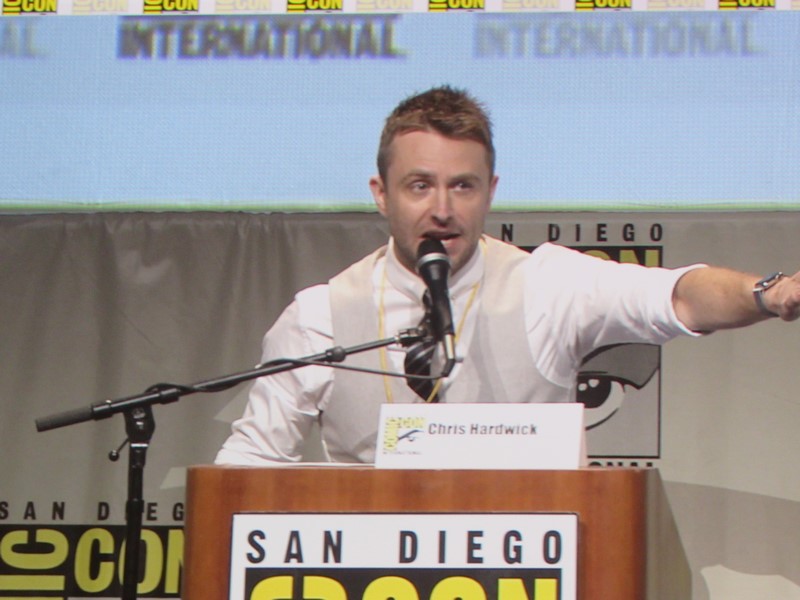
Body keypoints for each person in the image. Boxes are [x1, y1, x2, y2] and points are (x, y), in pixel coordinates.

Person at [215, 85, 800, 465]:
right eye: (419, 186)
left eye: (462, 186)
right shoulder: (320, 316)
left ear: (490, 191)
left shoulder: (548, 286)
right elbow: (248, 464)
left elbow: (679, 296)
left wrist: (765, 293)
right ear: (381, 194)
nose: (442, 209)